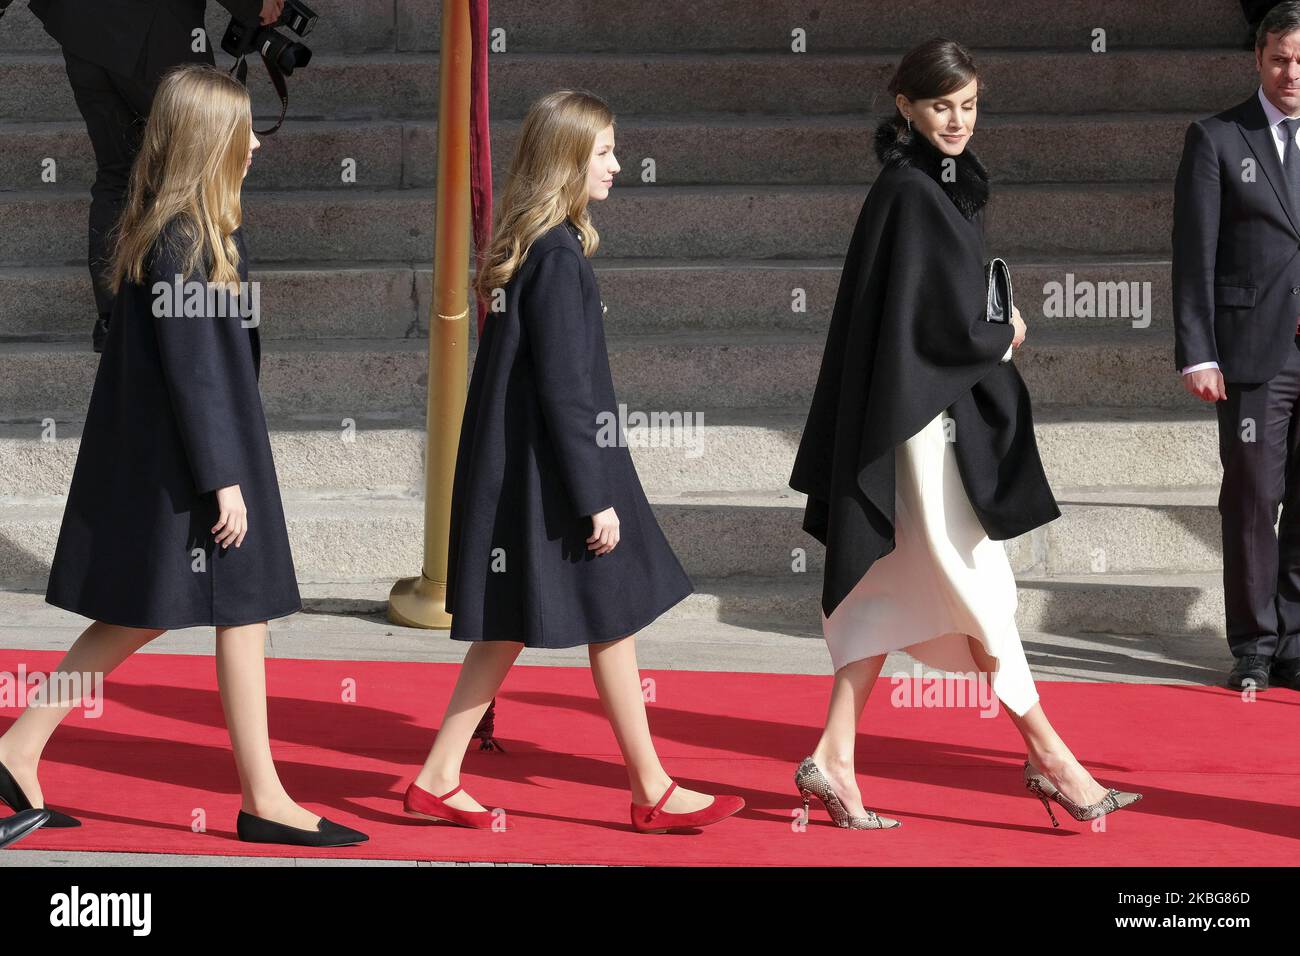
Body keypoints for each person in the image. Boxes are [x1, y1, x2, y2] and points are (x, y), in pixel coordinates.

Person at [0, 64, 366, 849]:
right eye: (243, 131)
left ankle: (20, 746)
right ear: (210, 141)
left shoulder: (180, 230)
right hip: (202, 465)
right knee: (225, 613)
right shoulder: (183, 240)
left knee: (155, 618)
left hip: (196, 458)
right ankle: (263, 798)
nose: (256, 147)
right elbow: (196, 373)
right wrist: (223, 479)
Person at [788, 38, 1142, 830]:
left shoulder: (923, 187)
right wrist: (1000, 327)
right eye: (941, 105)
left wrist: (983, 323)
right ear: (906, 105)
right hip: (923, 429)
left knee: (881, 590)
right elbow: (929, 322)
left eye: (969, 105)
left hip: (917, 417)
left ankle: (834, 759)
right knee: (982, 589)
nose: (957, 120)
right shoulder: (911, 193)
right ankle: (1052, 759)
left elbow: (915, 311)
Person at [403, 89, 744, 835]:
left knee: (538, 624)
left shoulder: (539, 249)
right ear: (565, 162)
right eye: (603, 153)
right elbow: (566, 392)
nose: (618, 166)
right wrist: (596, 497)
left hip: (535, 476)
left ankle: (441, 775)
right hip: (560, 481)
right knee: (597, 618)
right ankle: (647, 789)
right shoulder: (557, 258)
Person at [24, 0, 282, 352]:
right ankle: (208, 310)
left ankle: (116, 319)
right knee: (205, 159)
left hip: (80, 25)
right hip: (157, 22)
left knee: (117, 173)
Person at [1175, 1, 1300, 693]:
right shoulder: (1218, 137)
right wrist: (1199, 351)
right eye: (1280, 58)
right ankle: (1254, 643)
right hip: (1255, 352)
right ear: (1258, 60)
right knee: (1252, 498)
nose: (1291, 72)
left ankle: (1296, 639)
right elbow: (1193, 255)